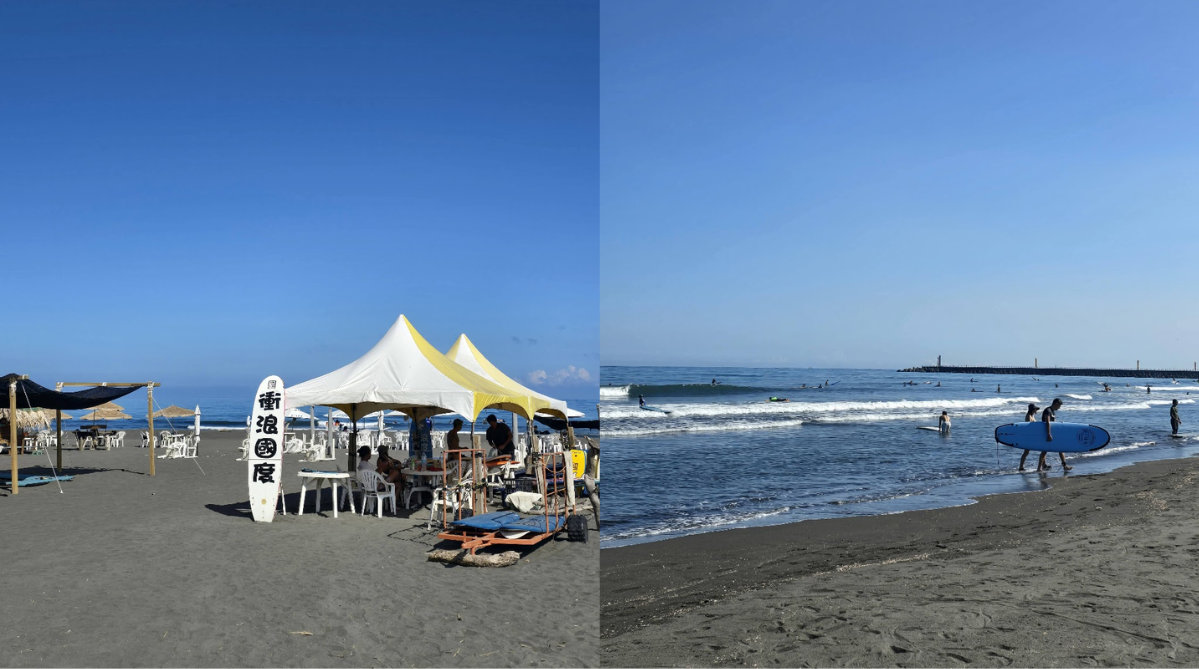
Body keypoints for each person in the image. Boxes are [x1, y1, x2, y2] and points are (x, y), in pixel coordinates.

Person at [1041, 398, 1071, 471]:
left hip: (1053, 434)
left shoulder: (1052, 411)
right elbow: (1047, 422)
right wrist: (1048, 434)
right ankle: (1041, 466)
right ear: (1056, 404)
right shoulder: (1048, 410)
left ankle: (1064, 465)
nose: (1059, 407)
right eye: (1059, 406)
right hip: (1047, 433)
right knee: (1044, 450)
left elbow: (1053, 423)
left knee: (1060, 448)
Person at [1018, 403, 1040, 471]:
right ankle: (1021, 467)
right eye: (1035, 409)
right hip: (1029, 437)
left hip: (1032, 436)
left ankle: (1043, 464)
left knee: (1041, 449)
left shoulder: (1032, 415)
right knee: (1026, 452)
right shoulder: (1028, 416)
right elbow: (1029, 427)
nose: (1036, 410)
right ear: (1032, 409)